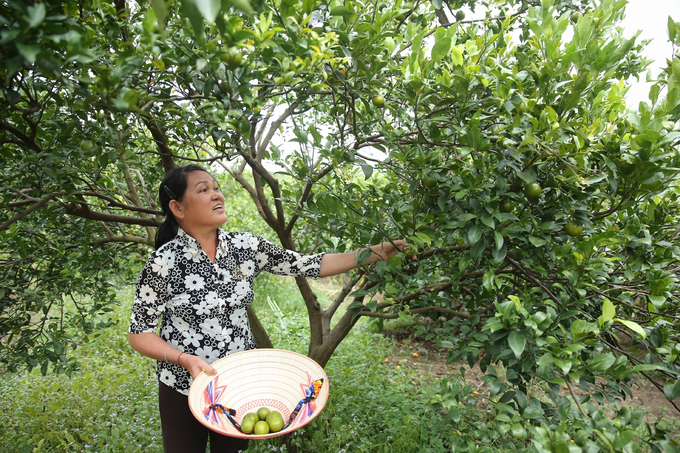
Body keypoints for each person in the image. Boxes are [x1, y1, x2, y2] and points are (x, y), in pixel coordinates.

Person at [128, 164, 409, 453]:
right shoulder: (163, 263)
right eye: (203, 190)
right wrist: (184, 359)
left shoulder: (244, 246)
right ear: (178, 207)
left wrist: (373, 253)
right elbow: (139, 333)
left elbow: (309, 264)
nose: (216, 195)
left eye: (216, 188)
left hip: (237, 386)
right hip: (180, 386)